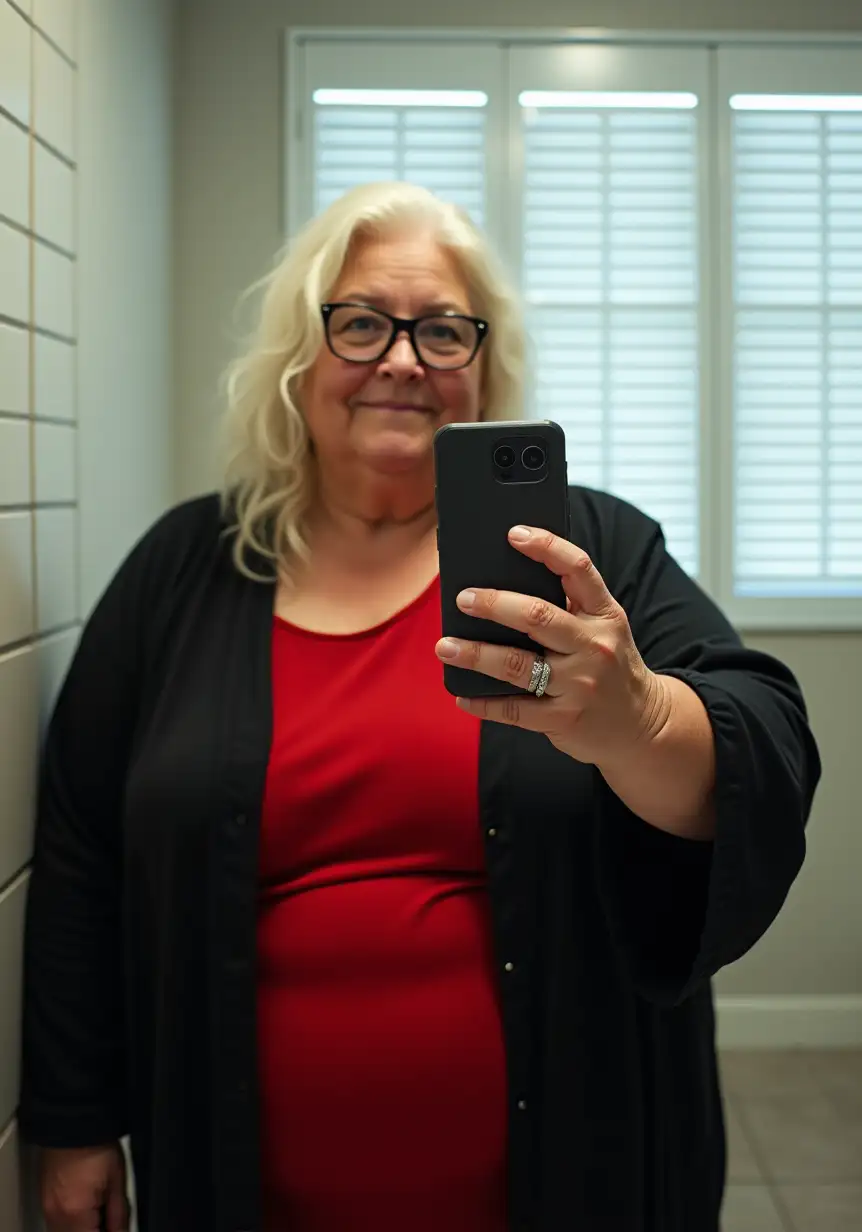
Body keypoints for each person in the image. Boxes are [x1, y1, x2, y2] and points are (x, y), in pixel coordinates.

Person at [20, 180, 820, 1232]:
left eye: (443, 330)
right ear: (298, 358)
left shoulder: (588, 556)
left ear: (482, 370)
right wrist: (75, 1118)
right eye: (360, 322)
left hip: (573, 1175)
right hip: (239, 1182)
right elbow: (80, 853)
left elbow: (763, 742)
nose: (402, 359)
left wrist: (630, 714)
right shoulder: (183, 569)